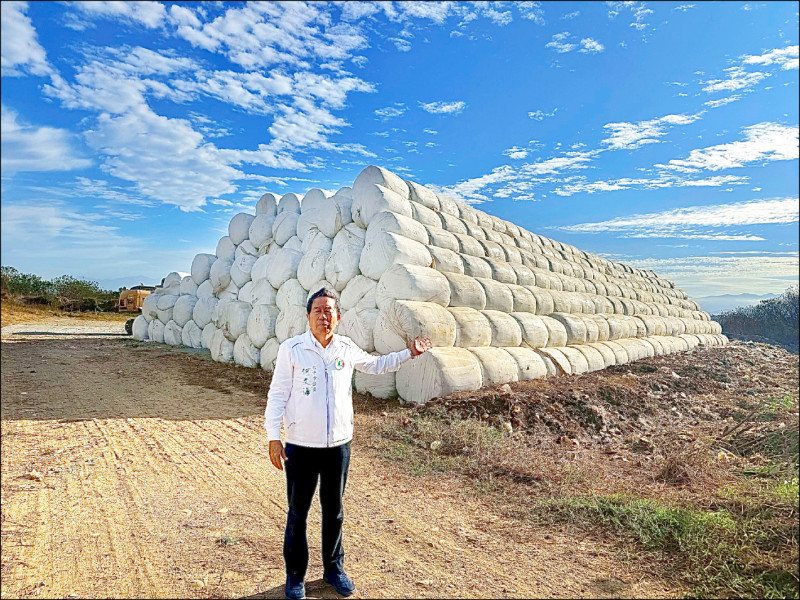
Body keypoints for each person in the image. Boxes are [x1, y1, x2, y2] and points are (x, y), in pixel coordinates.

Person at [265, 287, 431, 600]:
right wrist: (274, 435)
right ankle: (295, 577)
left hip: (338, 446)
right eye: (317, 311)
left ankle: (334, 570)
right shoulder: (292, 349)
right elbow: (277, 394)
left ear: (338, 318)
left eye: (329, 311)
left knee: (334, 511)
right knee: (298, 513)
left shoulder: (345, 347)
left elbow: (376, 365)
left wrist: (409, 353)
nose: (323, 316)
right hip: (301, 445)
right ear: (308, 317)